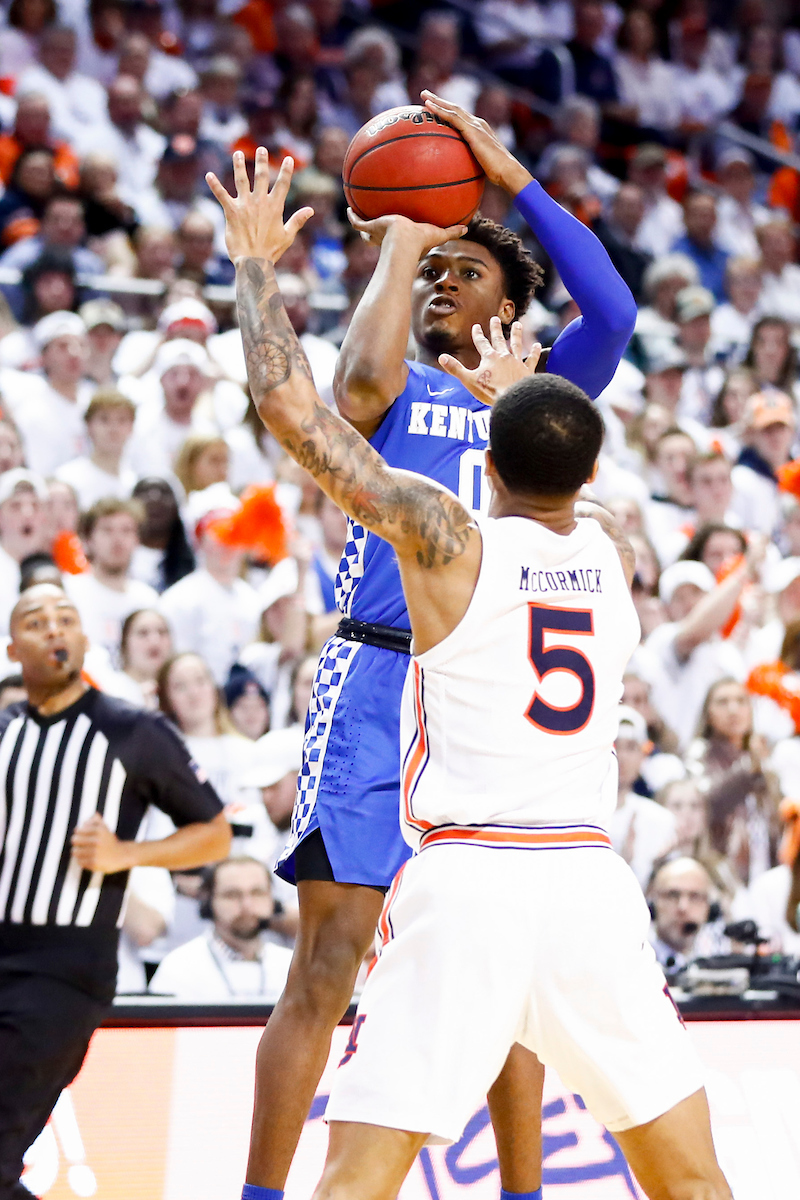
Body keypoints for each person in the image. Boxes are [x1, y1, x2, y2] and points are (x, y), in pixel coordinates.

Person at [207, 145, 730, 1200]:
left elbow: (614, 314)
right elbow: (351, 385)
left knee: (505, 984)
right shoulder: (593, 533)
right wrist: (404, 238)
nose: (445, 278)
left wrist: (491, 177)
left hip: (472, 702)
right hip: (378, 675)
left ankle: (518, 1190)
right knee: (333, 957)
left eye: (467, 269)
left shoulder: (531, 405)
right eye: (433, 269)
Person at [0, 583, 230, 1200]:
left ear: (83, 639)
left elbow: (215, 835)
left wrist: (129, 854)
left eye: (66, 619)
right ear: (12, 647)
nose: (53, 630)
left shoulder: (132, 731)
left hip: (63, 967)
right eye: (36, 621)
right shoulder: (3, 731)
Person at [148, 857, 292, 1002]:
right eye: (232, 895)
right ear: (208, 902)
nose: (247, 905)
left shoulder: (293, 965)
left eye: (257, 893)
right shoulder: (178, 967)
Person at [63, 498, 159, 664]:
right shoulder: (68, 591)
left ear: (137, 540)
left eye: (126, 530)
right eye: (107, 530)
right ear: (88, 540)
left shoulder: (148, 599)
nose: (117, 539)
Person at [608, 706, 678, 889]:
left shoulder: (660, 819)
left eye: (631, 747)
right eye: (614, 746)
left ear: (643, 755)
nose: (621, 757)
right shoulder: (582, 814)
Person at [54, 389, 138, 511]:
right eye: (104, 419)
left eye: (122, 420)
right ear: (89, 426)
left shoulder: (134, 483)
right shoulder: (67, 479)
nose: (113, 428)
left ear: (131, 428)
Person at [647, 857, 727, 973]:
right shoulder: (636, 957)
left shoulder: (720, 956)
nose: (683, 907)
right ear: (653, 904)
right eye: (673, 895)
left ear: (709, 908)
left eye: (694, 896)